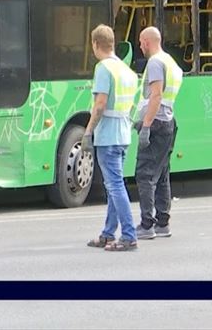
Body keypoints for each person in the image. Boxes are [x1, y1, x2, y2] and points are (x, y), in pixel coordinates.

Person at [83, 24, 139, 252]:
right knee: (115, 185)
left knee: (115, 186)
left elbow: (100, 105)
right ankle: (108, 233)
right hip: (123, 134)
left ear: (95, 44)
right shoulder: (126, 70)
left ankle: (128, 235)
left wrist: (88, 132)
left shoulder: (103, 68)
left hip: (108, 135)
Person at [133, 27, 183, 239]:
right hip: (168, 122)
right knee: (162, 174)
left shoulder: (154, 63)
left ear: (147, 41)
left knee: (144, 174)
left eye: (141, 42)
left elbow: (155, 96)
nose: (140, 46)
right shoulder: (170, 62)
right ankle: (163, 222)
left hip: (156, 125)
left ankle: (147, 225)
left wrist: (146, 125)